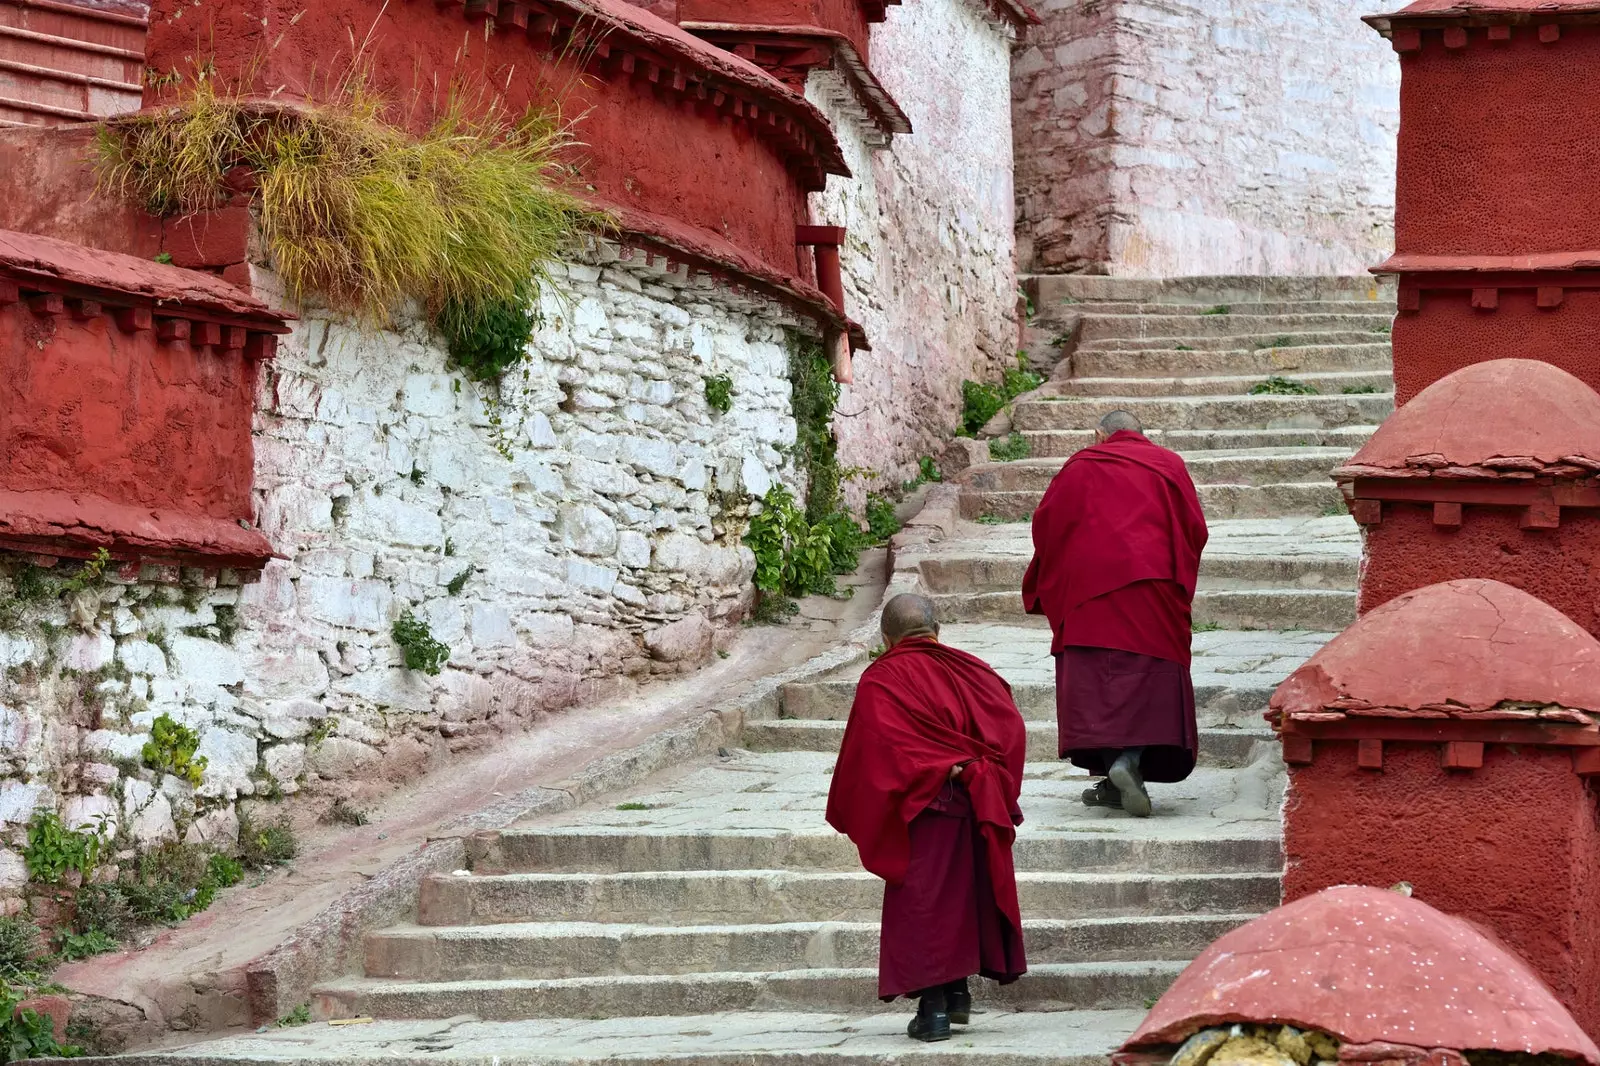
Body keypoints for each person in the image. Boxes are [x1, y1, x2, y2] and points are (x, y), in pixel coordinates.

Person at [825, 593, 1028, 1043]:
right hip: (976, 805)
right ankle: (957, 995)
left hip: (924, 809)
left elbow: (879, 749)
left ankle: (933, 1009)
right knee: (966, 899)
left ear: (886, 638)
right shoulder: (973, 671)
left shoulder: (882, 679)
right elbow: (1010, 728)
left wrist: (937, 768)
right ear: (937, 631)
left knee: (926, 906)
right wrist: (984, 773)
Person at [1021, 410, 1209, 818]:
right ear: (1144, 435)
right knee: (1151, 678)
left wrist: (1063, 574)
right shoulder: (1169, 464)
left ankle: (1116, 769)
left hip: (1089, 591)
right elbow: (1195, 528)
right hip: (1154, 586)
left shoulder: (1081, 464)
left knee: (1097, 684)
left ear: (1099, 435)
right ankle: (1128, 764)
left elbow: (1047, 526)